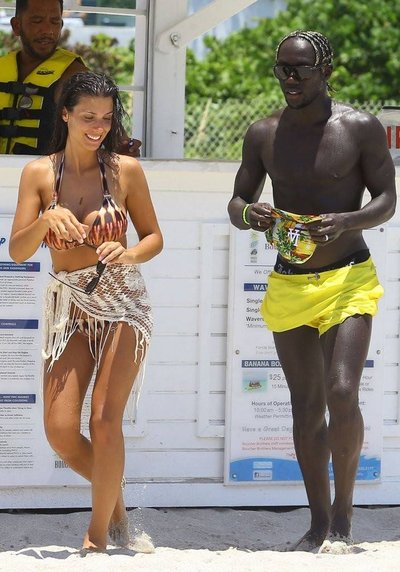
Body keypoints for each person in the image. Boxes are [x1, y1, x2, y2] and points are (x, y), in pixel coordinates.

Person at [228, 30, 396, 551]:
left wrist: (347, 220)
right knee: (306, 406)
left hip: (348, 277)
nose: (289, 77)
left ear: (325, 70)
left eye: (299, 68)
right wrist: (251, 214)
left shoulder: (360, 128)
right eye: (282, 68)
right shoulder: (263, 133)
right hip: (290, 283)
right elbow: (237, 201)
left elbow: (387, 200)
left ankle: (344, 517)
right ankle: (319, 523)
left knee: (341, 391)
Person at [9, 71, 163, 551]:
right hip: (68, 304)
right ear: (66, 115)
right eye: (88, 117)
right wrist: (44, 220)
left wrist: (129, 253)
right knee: (60, 431)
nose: (98, 127)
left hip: (122, 300)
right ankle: (115, 505)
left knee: (103, 419)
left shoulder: (125, 171)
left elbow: (154, 237)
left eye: (106, 118)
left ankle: (98, 537)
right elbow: (17, 250)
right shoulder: (39, 174)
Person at [0, 0, 141, 156]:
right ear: (16, 26)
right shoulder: (3, 66)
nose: (47, 30)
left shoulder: (73, 74)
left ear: (61, 26)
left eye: (54, 22)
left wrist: (125, 148)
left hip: (48, 171)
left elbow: (117, 139)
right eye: (37, 21)